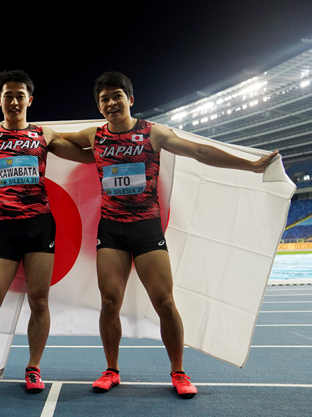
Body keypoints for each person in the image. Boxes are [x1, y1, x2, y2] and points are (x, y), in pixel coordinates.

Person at [62, 71, 277, 398]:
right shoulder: (94, 136)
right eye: (103, 99)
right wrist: (16, 134)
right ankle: (111, 369)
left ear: (130, 99)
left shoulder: (153, 133)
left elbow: (200, 152)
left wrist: (251, 165)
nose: (110, 103)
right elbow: (50, 141)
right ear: (99, 105)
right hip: (112, 231)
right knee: (109, 302)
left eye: (116, 96)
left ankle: (178, 371)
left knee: (164, 302)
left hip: (147, 229)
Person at [0, 70, 93, 393]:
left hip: (40, 227)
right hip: (4, 229)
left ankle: (33, 368)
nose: (14, 101)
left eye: (19, 95)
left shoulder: (45, 135)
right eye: (7, 95)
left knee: (39, 300)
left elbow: (87, 156)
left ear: (30, 99)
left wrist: (123, 143)